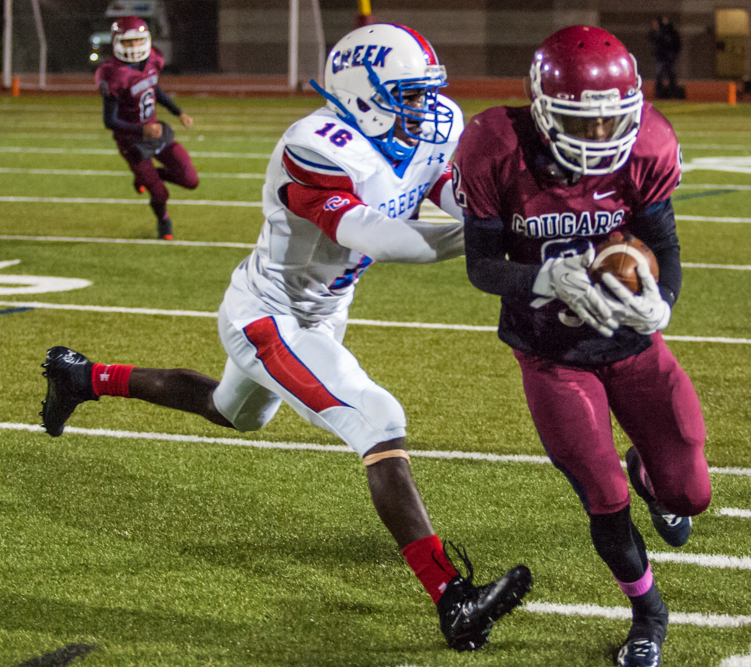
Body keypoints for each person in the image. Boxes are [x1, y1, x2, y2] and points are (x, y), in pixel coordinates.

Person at [42, 23, 531, 652]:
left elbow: (450, 192)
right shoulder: (316, 145)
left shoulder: (425, 129)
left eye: (426, 92)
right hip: (269, 314)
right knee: (378, 419)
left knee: (231, 410)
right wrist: (492, 236)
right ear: (363, 95)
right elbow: (376, 235)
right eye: (410, 95)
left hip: (324, 309)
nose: (427, 108)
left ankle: (82, 377)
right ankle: (452, 598)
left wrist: (513, 219)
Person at [453, 26, 711, 667]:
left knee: (690, 495)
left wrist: (662, 302)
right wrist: (543, 278)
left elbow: (664, 243)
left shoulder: (647, 143)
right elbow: (482, 267)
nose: (599, 136)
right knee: (604, 496)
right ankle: (648, 612)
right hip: (551, 353)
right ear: (542, 108)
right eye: (580, 121)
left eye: (610, 121)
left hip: (631, 345)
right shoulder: (494, 144)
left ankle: (650, 475)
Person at [94, 16, 199, 240]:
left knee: (190, 180)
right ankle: (164, 221)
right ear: (116, 43)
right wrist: (143, 131)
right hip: (132, 142)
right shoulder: (112, 73)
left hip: (156, 133)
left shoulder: (153, 59)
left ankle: (145, 178)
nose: (134, 46)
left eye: (137, 40)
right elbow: (109, 121)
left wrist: (178, 112)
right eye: (128, 41)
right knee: (160, 193)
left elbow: (153, 88)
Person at [649, 16, 681, 99]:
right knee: (660, 75)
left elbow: (676, 44)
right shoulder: (659, 33)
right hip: (661, 57)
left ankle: (672, 92)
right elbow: (652, 38)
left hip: (669, 57)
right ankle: (660, 93)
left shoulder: (671, 33)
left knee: (671, 74)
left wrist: (674, 54)